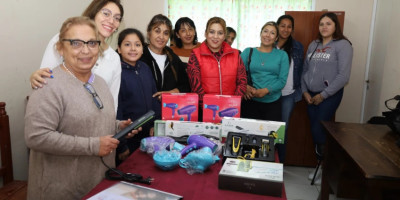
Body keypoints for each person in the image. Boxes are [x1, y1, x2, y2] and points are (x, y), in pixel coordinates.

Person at [24, 16, 140, 200]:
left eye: (92, 43)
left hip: (97, 183)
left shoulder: (100, 83)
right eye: (76, 43)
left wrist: (118, 127)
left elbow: (92, 119)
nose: (86, 50)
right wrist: (93, 146)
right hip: (60, 189)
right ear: (61, 48)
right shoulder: (48, 85)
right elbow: (36, 137)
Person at [30, 0, 124, 111]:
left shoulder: (114, 58)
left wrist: (114, 125)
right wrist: (36, 78)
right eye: (106, 13)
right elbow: (45, 81)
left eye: (117, 18)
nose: (111, 21)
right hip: (60, 115)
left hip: (97, 122)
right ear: (94, 13)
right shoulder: (62, 40)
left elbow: (112, 103)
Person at [301, 12, 353, 184]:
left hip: (329, 96)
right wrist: (305, 92)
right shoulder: (313, 44)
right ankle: (321, 166)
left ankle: (324, 169)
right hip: (310, 95)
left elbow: (343, 77)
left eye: (328, 23)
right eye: (321, 23)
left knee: (319, 130)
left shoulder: (343, 45)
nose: (324, 26)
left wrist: (323, 95)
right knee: (315, 131)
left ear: (335, 26)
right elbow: (305, 70)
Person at [115, 28, 161, 165]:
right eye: (127, 44)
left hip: (149, 135)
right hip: (129, 138)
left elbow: (154, 98)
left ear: (142, 48)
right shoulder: (117, 72)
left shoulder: (145, 68)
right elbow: (118, 110)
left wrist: (156, 124)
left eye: (137, 44)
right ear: (119, 49)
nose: (133, 49)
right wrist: (121, 145)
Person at [187, 17, 247, 121]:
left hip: (231, 112)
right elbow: (196, 87)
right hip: (205, 111)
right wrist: (209, 108)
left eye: (220, 33)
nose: (215, 37)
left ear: (224, 36)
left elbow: (242, 82)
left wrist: (232, 106)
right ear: (205, 33)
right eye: (212, 32)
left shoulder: (236, 54)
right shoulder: (195, 55)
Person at [240, 21, 289, 122]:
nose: (268, 35)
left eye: (272, 33)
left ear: (276, 38)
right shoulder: (248, 52)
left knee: (270, 136)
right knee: (249, 134)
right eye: (265, 31)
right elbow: (237, 74)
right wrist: (245, 87)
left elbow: (282, 80)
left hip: (272, 103)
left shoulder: (282, 55)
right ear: (260, 34)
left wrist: (265, 90)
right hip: (249, 101)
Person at [140, 14, 190, 100]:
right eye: (157, 31)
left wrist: (172, 92)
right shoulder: (139, 56)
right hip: (144, 111)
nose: (161, 37)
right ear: (149, 33)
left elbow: (186, 84)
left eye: (166, 33)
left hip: (170, 109)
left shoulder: (172, 58)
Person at [275, 15, 304, 163]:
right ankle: (268, 161)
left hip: (289, 94)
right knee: (269, 128)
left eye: (289, 26)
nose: (285, 29)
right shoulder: (269, 44)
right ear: (277, 26)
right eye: (282, 25)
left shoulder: (297, 46)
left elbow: (302, 70)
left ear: (292, 29)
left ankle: (281, 164)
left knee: (283, 130)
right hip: (271, 94)